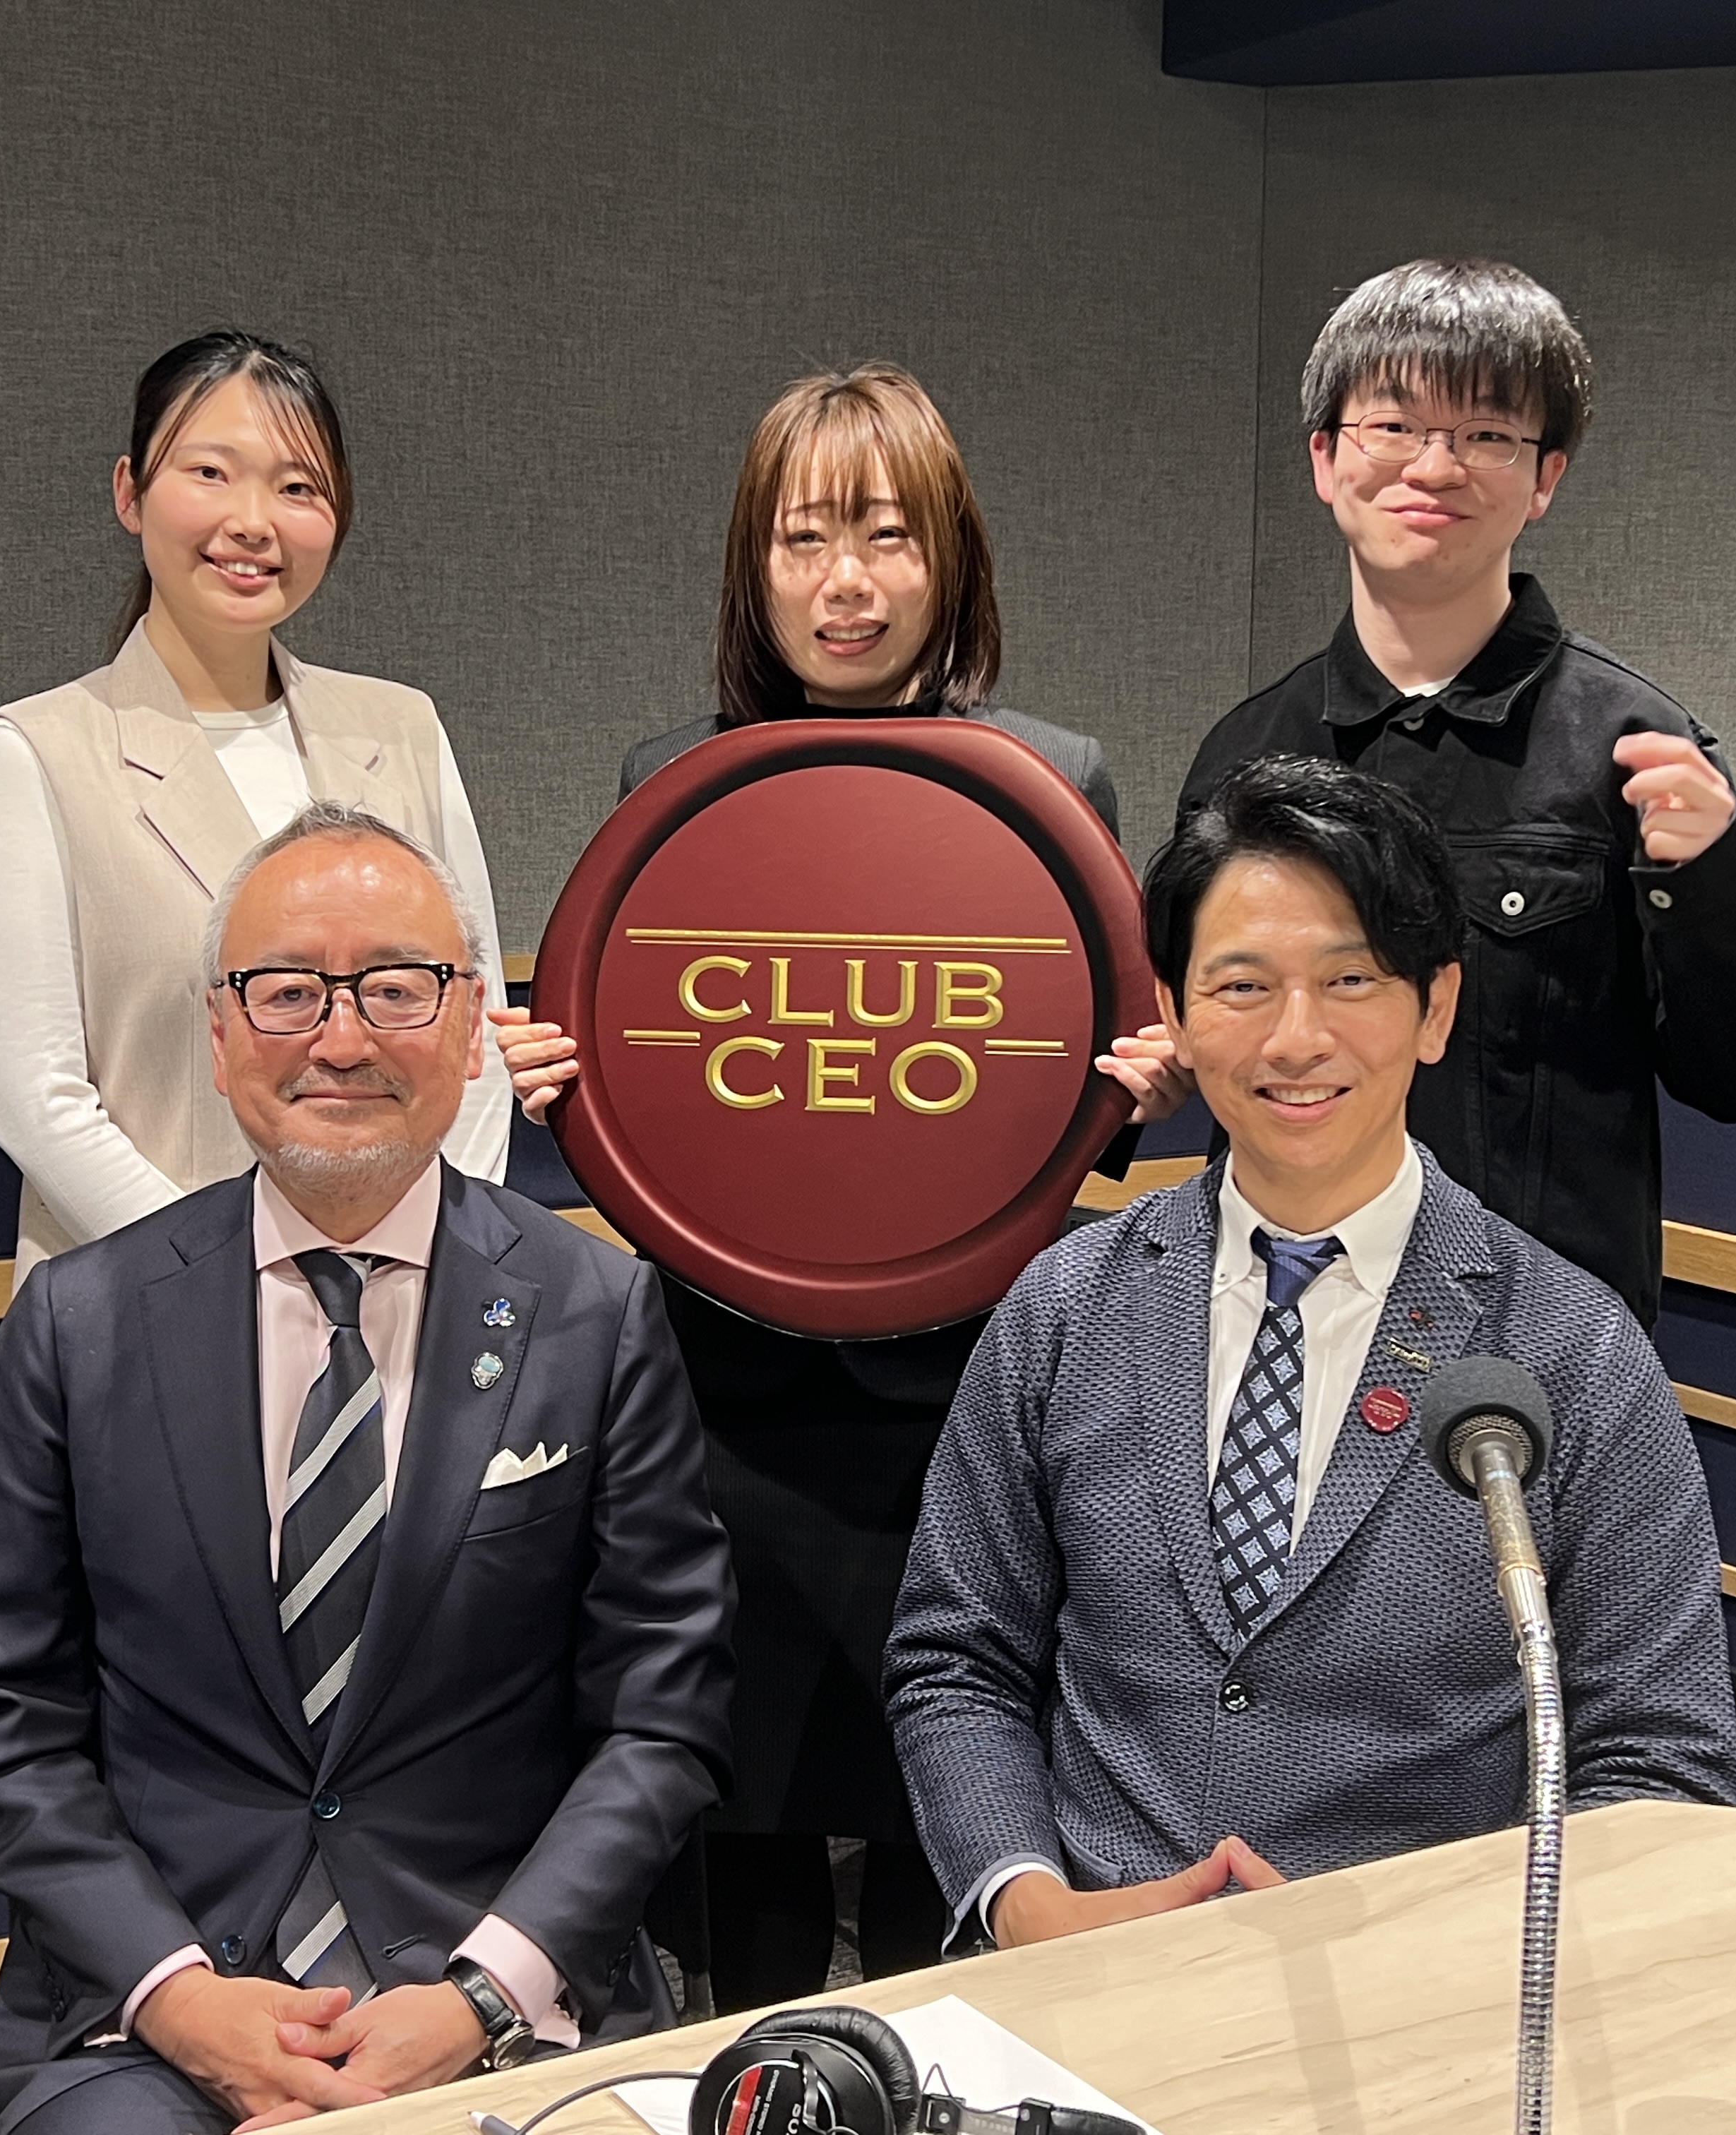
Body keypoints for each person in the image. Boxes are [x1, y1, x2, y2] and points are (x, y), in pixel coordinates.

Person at [490, 364, 1187, 2009]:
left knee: (957, 1807)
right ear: (756, 565)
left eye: (887, 536)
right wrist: (563, 1080)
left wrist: (1138, 1091)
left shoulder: (1053, 778)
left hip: (970, 1387)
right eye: (805, 539)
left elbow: (1059, 1093)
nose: (847, 582)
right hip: (725, 1392)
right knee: (747, 1831)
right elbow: (660, 1087)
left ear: (953, 559)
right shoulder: (674, 781)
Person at [0, 803, 734, 2134]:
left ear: (470, 1024)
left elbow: (664, 1719)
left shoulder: (597, 1313)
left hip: (494, 1986)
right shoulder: (78, 1322)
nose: (344, 1039)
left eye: (397, 989)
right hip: (159, 2003)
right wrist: (180, 1998)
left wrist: (482, 1992)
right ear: (220, 1032)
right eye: (289, 991)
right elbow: (2, 1723)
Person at [885, 754, 1736, 1953]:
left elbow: (1662, 1760)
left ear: (1435, 1009)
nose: (1296, 1039)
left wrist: (1426, 1949)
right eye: (1242, 986)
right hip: (1083, 1977)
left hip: (1422, 2000)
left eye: (1351, 980)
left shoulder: (1573, 1352)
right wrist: (1027, 1905)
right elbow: (955, 1655)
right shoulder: (1069, 1306)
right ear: (1176, 1011)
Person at [1178, 259, 1736, 1324]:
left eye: (1486, 434)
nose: (1435, 467)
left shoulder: (1638, 750)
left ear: (1545, 478)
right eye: (1393, 426)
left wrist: (1705, 885)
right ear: (1326, 459)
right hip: (1270, 1311)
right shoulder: (1244, 754)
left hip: (1540, 1344)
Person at [0, 330, 510, 1280]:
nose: (254, 522)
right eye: (210, 472)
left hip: (410, 1289)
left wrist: (427, 1249)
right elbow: (38, 1103)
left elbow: (477, 1027)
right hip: (145, 1292)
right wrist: (233, 1277)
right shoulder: (40, 750)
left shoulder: (403, 728)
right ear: (131, 492)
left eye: (297, 487)